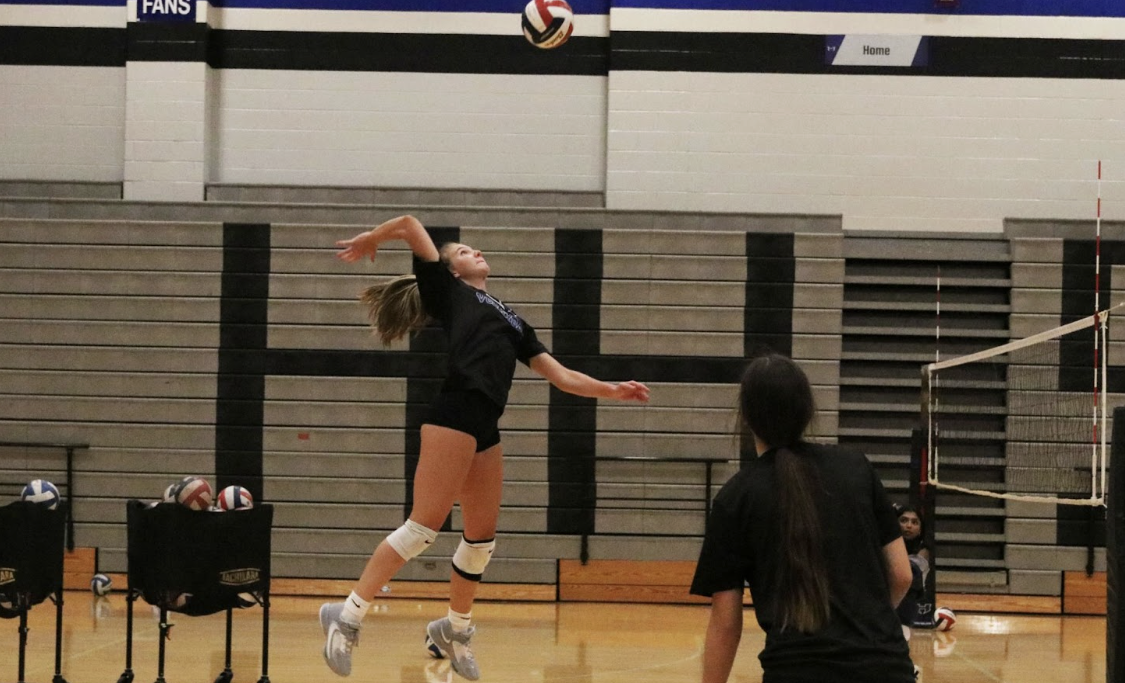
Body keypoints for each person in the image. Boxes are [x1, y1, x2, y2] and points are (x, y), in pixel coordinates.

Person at [320, 215, 650, 680]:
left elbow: (562, 376)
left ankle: (454, 628)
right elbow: (412, 226)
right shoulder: (449, 292)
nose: (473, 252)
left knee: (480, 542)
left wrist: (612, 389)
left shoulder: (512, 319)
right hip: (454, 412)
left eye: (473, 250)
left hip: (485, 427)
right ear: (451, 269)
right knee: (421, 530)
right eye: (463, 251)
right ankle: (348, 614)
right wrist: (373, 238)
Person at [690, 354, 915, 683]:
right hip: (886, 669)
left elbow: (726, 626)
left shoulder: (735, 498)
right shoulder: (856, 467)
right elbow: (901, 575)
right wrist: (868, 630)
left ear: (747, 419)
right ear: (808, 411)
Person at [894, 503, 931, 632]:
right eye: (903, 520)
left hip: (905, 606)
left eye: (915, 522)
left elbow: (908, 577)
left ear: (920, 529)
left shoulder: (924, 551)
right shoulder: (884, 547)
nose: (908, 526)